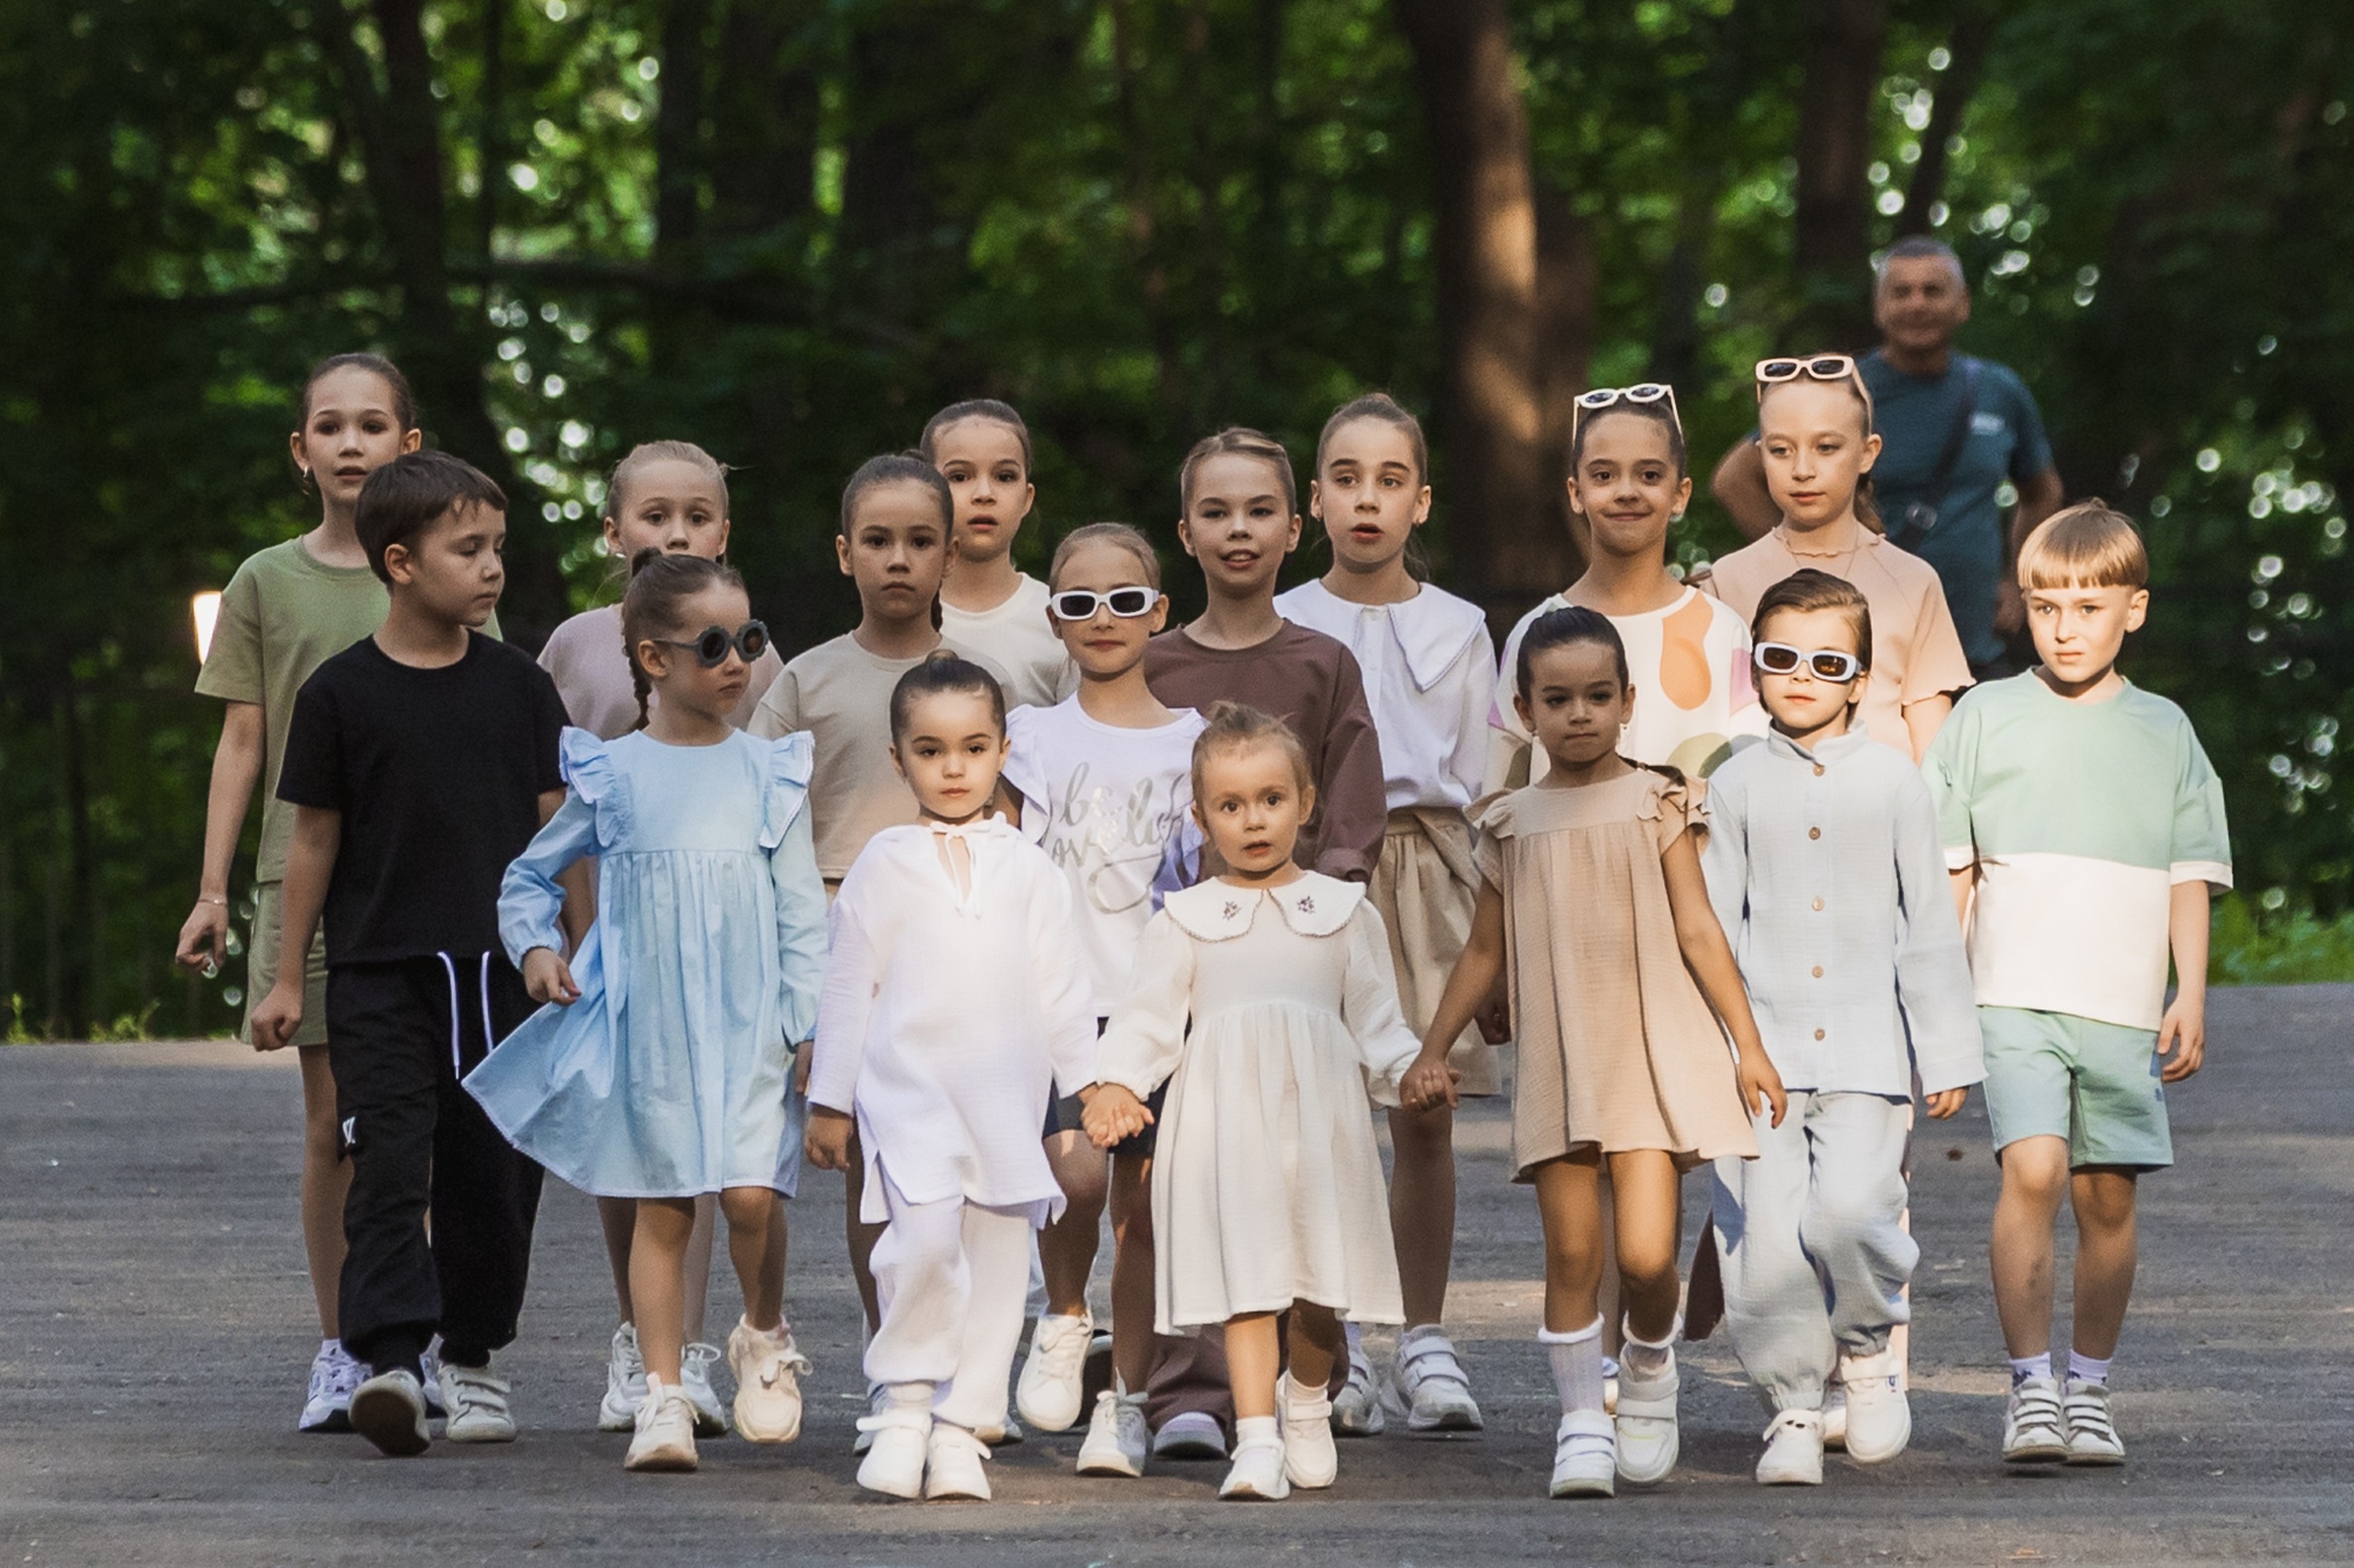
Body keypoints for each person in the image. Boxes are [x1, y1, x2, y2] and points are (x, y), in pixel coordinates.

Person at [1402, 607, 1785, 1498]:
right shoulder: (1509, 821)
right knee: (1573, 1254)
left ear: (1627, 702)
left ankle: (1647, 1365)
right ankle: (1580, 1422)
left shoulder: (1658, 801)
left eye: (1597, 696)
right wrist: (1433, 1048)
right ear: (1525, 711)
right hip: (1560, 1056)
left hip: (1648, 1051)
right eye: (1558, 699)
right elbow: (1484, 950)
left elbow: (1698, 927)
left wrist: (1748, 1044)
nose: (1579, 714)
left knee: (1646, 1258)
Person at [464, 551, 828, 1472]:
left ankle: (762, 1328)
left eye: (748, 639)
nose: (738, 662)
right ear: (654, 659)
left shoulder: (770, 773)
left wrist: (810, 1024)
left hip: (751, 1020)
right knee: (663, 1202)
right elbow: (529, 876)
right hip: (653, 1025)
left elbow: (799, 913)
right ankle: (662, 1394)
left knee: (749, 1195)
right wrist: (536, 947)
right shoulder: (613, 774)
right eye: (713, 645)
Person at [250, 450, 565, 1458]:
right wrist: (289, 977)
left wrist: (578, 951)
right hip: (380, 974)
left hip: (502, 974)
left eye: (498, 548)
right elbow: (312, 841)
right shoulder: (340, 693)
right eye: (467, 549)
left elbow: (558, 829)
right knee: (384, 1154)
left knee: (494, 1169)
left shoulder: (521, 687)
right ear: (400, 562)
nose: (492, 567)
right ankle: (388, 1360)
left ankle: (470, 1358)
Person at [1922, 503, 2229, 1468]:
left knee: (2106, 1198)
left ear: (2132, 610)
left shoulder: (2165, 730)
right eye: (2044, 605)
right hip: (2010, 994)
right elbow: (1951, 871)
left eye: (2088, 607)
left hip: (2122, 1005)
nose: (2064, 627)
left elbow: (2188, 872)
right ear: (2021, 605)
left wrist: (2189, 992)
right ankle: (2029, 1387)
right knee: (2032, 1170)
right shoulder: (1982, 716)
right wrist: (1936, 1009)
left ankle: (2087, 1388)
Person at [173, 353, 435, 1433]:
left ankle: (410, 1341)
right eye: (329, 425)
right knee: (333, 1120)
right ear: (300, 450)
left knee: (411, 1123)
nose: (349, 443)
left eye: (372, 425)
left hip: (419, 877)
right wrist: (213, 891)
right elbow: (243, 740)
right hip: (305, 881)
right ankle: (342, 1345)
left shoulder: (438, 569)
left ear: (408, 445)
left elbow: (477, 723)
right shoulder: (264, 581)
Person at [1084, 703, 1422, 1502]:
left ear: (1306, 803)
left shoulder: (1345, 913)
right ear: (1203, 821)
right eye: (1231, 806)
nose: (1254, 820)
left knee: (1320, 1290)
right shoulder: (1185, 920)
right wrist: (1117, 1083)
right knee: (1248, 1285)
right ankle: (1257, 1439)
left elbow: (1379, 1020)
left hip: (1321, 1127)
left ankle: (1304, 1399)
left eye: (1271, 800)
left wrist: (1411, 1073)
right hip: (1223, 1127)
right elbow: (1147, 1018)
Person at [1699, 570, 1984, 1486]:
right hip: (1760, 1056)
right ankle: (1790, 1403)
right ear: (1754, 666)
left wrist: (1944, 1050)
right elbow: (1712, 923)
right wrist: (1718, 1045)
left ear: (1860, 680)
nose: (1801, 676)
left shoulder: (1895, 782)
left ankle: (1865, 1354)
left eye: (1827, 663)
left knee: (1852, 1211)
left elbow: (1926, 924)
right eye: (1780, 657)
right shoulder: (1734, 783)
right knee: (1763, 1244)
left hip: (1868, 1050)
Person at [805, 655, 1098, 1502]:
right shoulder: (882, 863)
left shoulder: (1031, 868)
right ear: (899, 760)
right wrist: (830, 1101)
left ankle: (963, 1427)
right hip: (909, 1099)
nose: (955, 768)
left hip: (1006, 1105)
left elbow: (1063, 988)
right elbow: (849, 984)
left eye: (974, 748)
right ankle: (903, 1408)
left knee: (1000, 1268)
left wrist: (1082, 1095)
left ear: (1003, 749)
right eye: (930, 751)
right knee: (922, 1245)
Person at [533, 439, 782, 1437]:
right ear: (612, 532)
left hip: (719, 935)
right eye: (653, 516)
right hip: (613, 927)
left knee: (709, 1150)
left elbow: (764, 800)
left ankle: (698, 1347)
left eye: (696, 517)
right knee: (632, 1148)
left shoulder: (750, 653)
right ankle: (641, 1342)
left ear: (724, 533)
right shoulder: (573, 646)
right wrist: (570, 931)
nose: (674, 532)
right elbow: (554, 798)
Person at [1274, 393, 1494, 1437]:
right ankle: (1340, 1339)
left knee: (1424, 1103)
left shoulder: (1460, 625)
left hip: (1431, 865)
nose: (1367, 499)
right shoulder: (1286, 620)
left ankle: (1422, 1333)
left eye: (1389, 479)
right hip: (1314, 869)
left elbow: (1487, 778)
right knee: (1321, 1111)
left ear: (1421, 501)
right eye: (1346, 478)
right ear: (1314, 501)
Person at [994, 523, 1206, 1474]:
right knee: (1075, 1180)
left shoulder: (1194, 740)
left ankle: (1126, 1398)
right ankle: (1064, 1312)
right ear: (1054, 620)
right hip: (1061, 1002)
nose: (1103, 618)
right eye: (1079, 602)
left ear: (1158, 612)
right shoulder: (1030, 736)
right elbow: (1001, 855)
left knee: (1144, 1212)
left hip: (1160, 1004)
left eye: (1125, 600)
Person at [1710, 236, 2064, 680]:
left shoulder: (1999, 391)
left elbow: (2043, 491)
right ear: (1879, 308)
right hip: (1866, 657)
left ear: (1963, 304)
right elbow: (1734, 479)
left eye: (1933, 291)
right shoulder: (1843, 391)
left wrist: (2020, 580)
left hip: (1976, 648)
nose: (1917, 304)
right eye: (1901, 292)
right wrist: (1804, 568)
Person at [1144, 426, 1388, 884]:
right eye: (1216, 513)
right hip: (1168, 915)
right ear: (1187, 534)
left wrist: (1325, 902)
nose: (1239, 529)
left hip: (1301, 914)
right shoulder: (1148, 667)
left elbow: (1353, 815)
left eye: (1260, 511)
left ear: (1293, 529)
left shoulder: (1325, 665)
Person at [1699, 356, 1974, 759]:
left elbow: (1932, 745)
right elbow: (1708, 730)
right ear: (1760, 455)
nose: (1802, 469)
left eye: (1826, 447)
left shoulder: (1912, 580)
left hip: (1884, 797)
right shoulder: (1726, 580)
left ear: (1867, 452)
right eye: (1780, 450)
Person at [1491, 384, 1765, 787]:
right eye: (1603, 475)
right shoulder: (1532, 634)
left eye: (1649, 475)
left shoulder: (1724, 632)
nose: (1626, 492)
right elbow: (1499, 793)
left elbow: (1752, 782)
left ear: (1680, 494)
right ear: (1576, 492)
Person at [926, 399, 1077, 709]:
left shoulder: (1059, 620)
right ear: (925, 492)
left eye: (1005, 477)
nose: (984, 494)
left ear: (1027, 498)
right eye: (959, 477)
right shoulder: (901, 617)